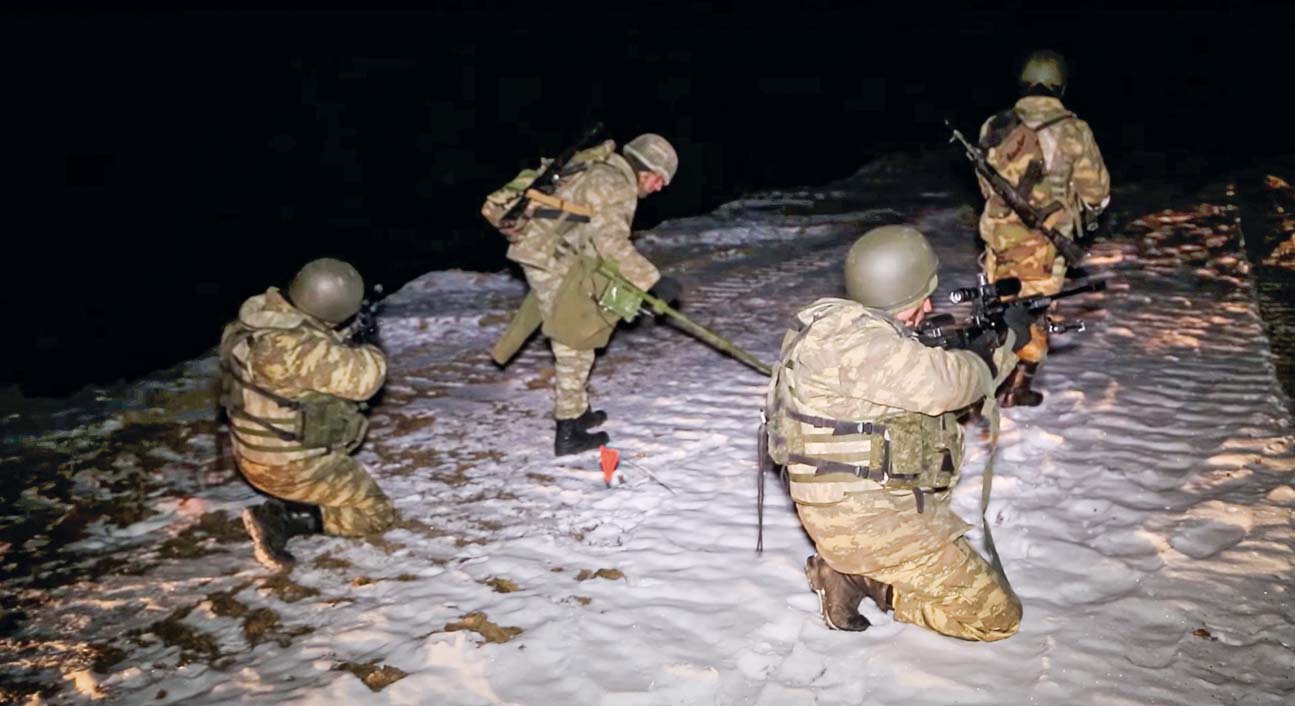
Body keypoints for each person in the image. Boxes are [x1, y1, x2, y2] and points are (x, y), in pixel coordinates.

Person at [763, 225, 1030, 641]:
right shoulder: (864, 347)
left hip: (845, 509)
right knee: (998, 619)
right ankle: (865, 580)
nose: (930, 304)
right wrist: (1002, 346)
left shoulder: (837, 326)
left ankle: (849, 565)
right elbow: (954, 384)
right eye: (925, 296)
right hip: (868, 523)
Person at [489, 133, 683, 456]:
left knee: (591, 318)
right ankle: (568, 430)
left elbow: (596, 240)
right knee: (574, 338)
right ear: (645, 170)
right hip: (550, 257)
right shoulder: (615, 184)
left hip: (557, 253)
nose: (659, 188)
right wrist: (652, 281)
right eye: (659, 179)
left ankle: (577, 412)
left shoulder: (606, 171)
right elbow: (611, 244)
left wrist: (630, 293)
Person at [220, 257, 396, 571]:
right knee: (376, 514)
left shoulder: (259, 321)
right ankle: (286, 519)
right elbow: (368, 377)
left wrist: (339, 335)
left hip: (251, 452)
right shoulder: (299, 350)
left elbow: (306, 353)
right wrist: (368, 339)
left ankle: (295, 499)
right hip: (289, 466)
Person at [976, 49, 1110, 406]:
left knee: (999, 308)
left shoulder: (995, 125)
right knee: (1032, 311)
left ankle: (990, 378)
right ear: (1060, 85)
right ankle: (1014, 388)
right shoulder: (1073, 130)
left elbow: (986, 187)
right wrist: (1086, 213)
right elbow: (1096, 191)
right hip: (1044, 243)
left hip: (999, 236)